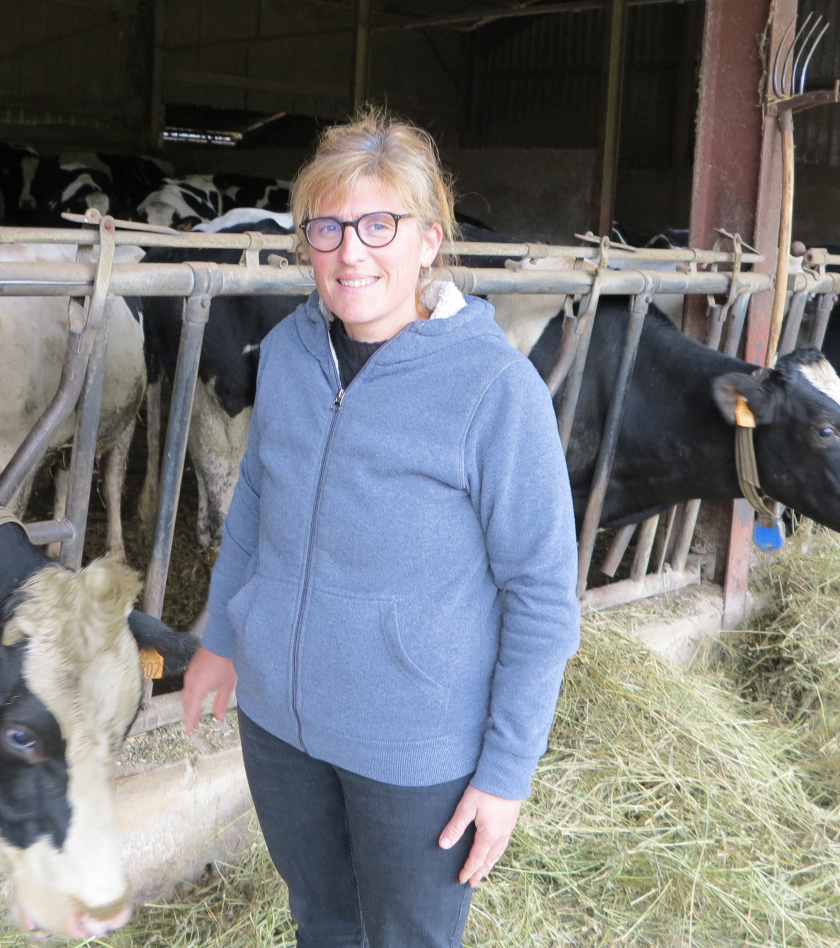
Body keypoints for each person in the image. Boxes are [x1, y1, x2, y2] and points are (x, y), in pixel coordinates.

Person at [181, 105, 581, 948]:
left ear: (430, 239)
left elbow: (542, 595)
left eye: (378, 224)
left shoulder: (494, 389)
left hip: (414, 751)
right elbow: (255, 499)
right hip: (279, 726)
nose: (349, 251)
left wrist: (505, 774)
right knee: (321, 920)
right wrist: (225, 634)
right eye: (325, 228)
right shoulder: (290, 352)